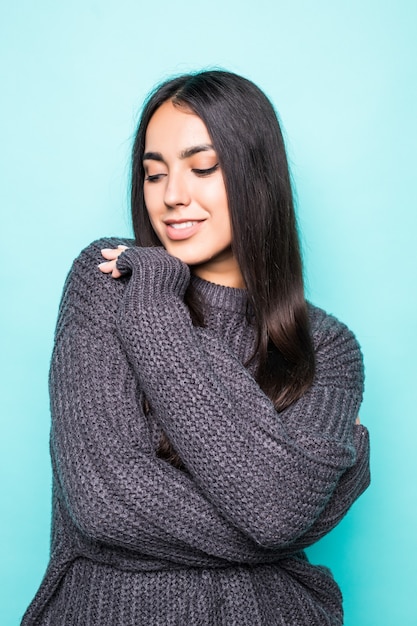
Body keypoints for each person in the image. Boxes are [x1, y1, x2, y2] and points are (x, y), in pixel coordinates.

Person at [22, 70, 370, 626]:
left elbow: (275, 508)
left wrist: (283, 508)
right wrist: (308, 504)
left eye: (202, 167)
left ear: (257, 175)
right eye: (153, 174)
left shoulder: (326, 347)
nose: (172, 196)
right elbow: (107, 505)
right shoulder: (109, 284)